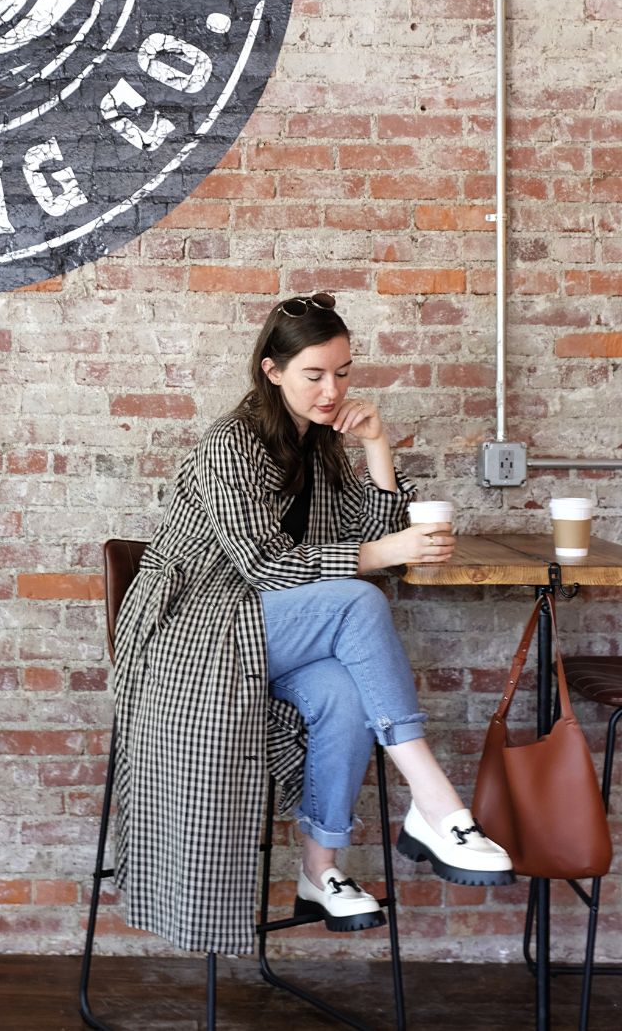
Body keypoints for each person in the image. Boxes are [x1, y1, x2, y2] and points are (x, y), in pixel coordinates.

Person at [107, 292, 513, 954]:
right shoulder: (231, 442)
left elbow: (372, 533)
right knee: (356, 601)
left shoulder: (321, 444)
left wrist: (377, 442)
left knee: (345, 692)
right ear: (272, 370)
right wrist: (380, 555)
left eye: (343, 371)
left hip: (265, 629)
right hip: (193, 630)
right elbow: (267, 564)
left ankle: (320, 867)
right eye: (314, 375)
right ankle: (438, 802)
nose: (332, 390)